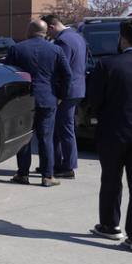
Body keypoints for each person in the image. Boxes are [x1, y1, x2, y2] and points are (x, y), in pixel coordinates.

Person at [3, 19, 71, 186]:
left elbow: (6, 71)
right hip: (48, 98)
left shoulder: (17, 49)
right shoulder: (56, 50)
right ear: (46, 32)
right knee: (46, 138)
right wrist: (61, 95)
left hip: (23, 99)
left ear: (30, 31)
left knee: (25, 137)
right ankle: (48, 176)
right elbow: (67, 74)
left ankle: (23, 174)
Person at [88, 19, 132, 246]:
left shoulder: (108, 65)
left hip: (113, 131)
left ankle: (110, 225)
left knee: (111, 180)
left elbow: (92, 101)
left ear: (123, 39)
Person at [41, 13, 87, 178]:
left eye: (48, 32)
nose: (48, 36)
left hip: (66, 91)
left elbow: (62, 70)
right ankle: (57, 163)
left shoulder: (63, 41)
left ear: (52, 27)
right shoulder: (78, 37)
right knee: (62, 128)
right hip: (77, 88)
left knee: (64, 128)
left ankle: (67, 166)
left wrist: (59, 94)